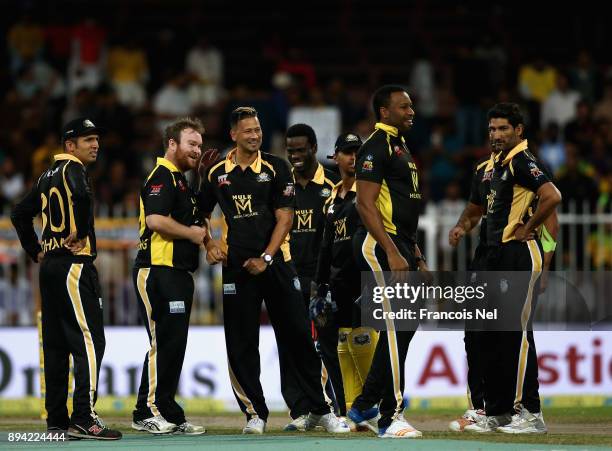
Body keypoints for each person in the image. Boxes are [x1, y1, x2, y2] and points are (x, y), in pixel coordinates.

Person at [199, 107, 349, 435]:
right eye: (248, 130)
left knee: (299, 335)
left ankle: (322, 410)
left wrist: (265, 258)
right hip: (237, 269)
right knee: (240, 343)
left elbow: (286, 218)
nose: (255, 135)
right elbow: (200, 213)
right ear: (233, 134)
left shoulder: (277, 167)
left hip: (276, 263)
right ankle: (255, 413)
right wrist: (209, 244)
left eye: (258, 129)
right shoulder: (215, 173)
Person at [11, 118, 122, 440]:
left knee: (57, 344)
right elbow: (84, 198)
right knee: (89, 340)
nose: (95, 144)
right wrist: (84, 230)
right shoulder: (74, 169)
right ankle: (85, 418)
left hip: (49, 268)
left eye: (96, 138)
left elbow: (19, 213)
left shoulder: (45, 176)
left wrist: (35, 250)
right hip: (74, 264)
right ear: (69, 145)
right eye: (87, 139)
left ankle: (57, 421)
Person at [465, 103, 561, 434]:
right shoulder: (490, 167)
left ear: (518, 131)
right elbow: (478, 208)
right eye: (492, 129)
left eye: (503, 128)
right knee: (490, 336)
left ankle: (530, 413)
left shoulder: (523, 162)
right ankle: (499, 411)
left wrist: (528, 227)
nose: (496, 134)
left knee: (517, 336)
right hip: (493, 256)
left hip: (519, 253)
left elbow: (553, 199)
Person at [347, 85, 426, 438]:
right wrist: (392, 251)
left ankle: (365, 404)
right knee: (397, 324)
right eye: (403, 106)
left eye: (411, 106)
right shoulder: (374, 147)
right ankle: (390, 417)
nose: (411, 111)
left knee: (406, 323)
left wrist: (415, 253)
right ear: (384, 112)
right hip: (380, 246)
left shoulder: (399, 146)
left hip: (401, 244)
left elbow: (401, 209)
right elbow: (365, 204)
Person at [131, 117, 208, 435]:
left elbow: (196, 220)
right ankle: (144, 411)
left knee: (173, 344)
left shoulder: (181, 181)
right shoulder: (162, 175)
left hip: (177, 273)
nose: (198, 150)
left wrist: (207, 241)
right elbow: (155, 220)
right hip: (157, 270)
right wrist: (192, 235)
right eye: (192, 143)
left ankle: (168, 411)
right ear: (172, 144)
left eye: (200, 145)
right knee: (161, 342)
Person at [312, 132, 379, 426]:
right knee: (338, 349)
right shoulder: (332, 199)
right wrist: (319, 286)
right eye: (348, 152)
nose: (354, 157)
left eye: (358, 152)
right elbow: (326, 247)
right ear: (335, 157)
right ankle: (350, 412)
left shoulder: (371, 191)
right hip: (337, 284)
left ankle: (378, 406)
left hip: (363, 280)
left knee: (365, 345)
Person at [284, 123, 340, 430]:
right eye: (290, 150)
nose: (295, 156)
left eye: (300, 150)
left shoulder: (332, 185)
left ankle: (330, 408)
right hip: (289, 279)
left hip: (322, 279)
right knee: (293, 346)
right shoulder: (282, 187)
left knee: (324, 346)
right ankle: (300, 412)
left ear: (314, 148)